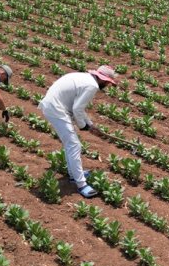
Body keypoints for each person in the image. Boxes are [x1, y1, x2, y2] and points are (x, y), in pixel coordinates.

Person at [38, 65, 118, 198]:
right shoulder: (92, 86)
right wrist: (84, 126)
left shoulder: (83, 78)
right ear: (104, 80)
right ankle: (81, 184)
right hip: (57, 110)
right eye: (108, 83)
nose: (107, 85)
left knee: (71, 144)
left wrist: (91, 125)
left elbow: (79, 108)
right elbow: (77, 109)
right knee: (74, 145)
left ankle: (74, 175)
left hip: (54, 106)